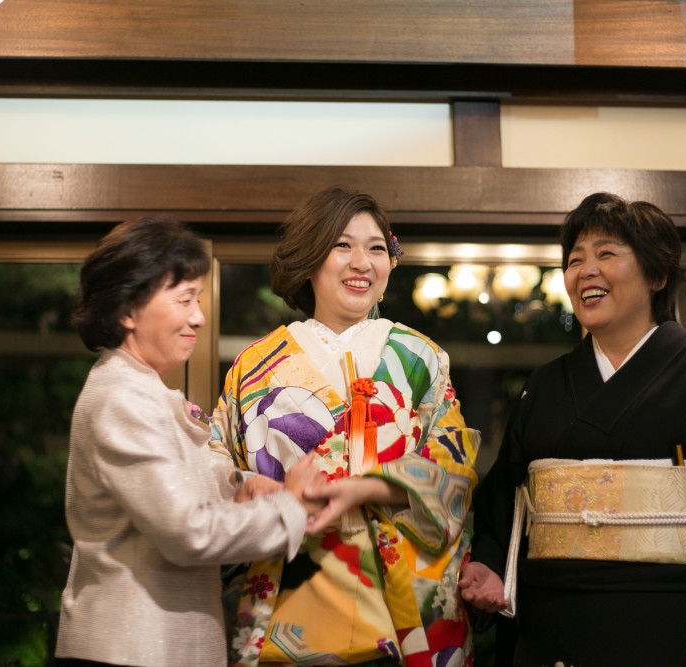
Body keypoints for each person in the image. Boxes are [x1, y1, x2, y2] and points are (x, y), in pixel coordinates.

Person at [460, 192, 686, 667]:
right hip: (553, 628)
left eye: (606, 254)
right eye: (574, 260)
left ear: (657, 275)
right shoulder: (543, 386)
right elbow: (504, 503)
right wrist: (488, 563)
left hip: (670, 623)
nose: (586, 271)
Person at [211, 186, 481, 667]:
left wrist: (371, 487)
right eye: (342, 245)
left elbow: (453, 466)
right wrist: (251, 485)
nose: (362, 263)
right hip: (290, 589)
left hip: (395, 603)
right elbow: (216, 467)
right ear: (310, 258)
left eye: (376, 248)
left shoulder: (421, 356)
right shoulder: (253, 366)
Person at [55, 215, 320, 667]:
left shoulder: (143, 388)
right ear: (127, 310)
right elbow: (188, 533)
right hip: (132, 649)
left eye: (198, 299)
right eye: (184, 300)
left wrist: (240, 486)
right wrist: (288, 507)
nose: (198, 317)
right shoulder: (122, 396)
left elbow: (175, 483)